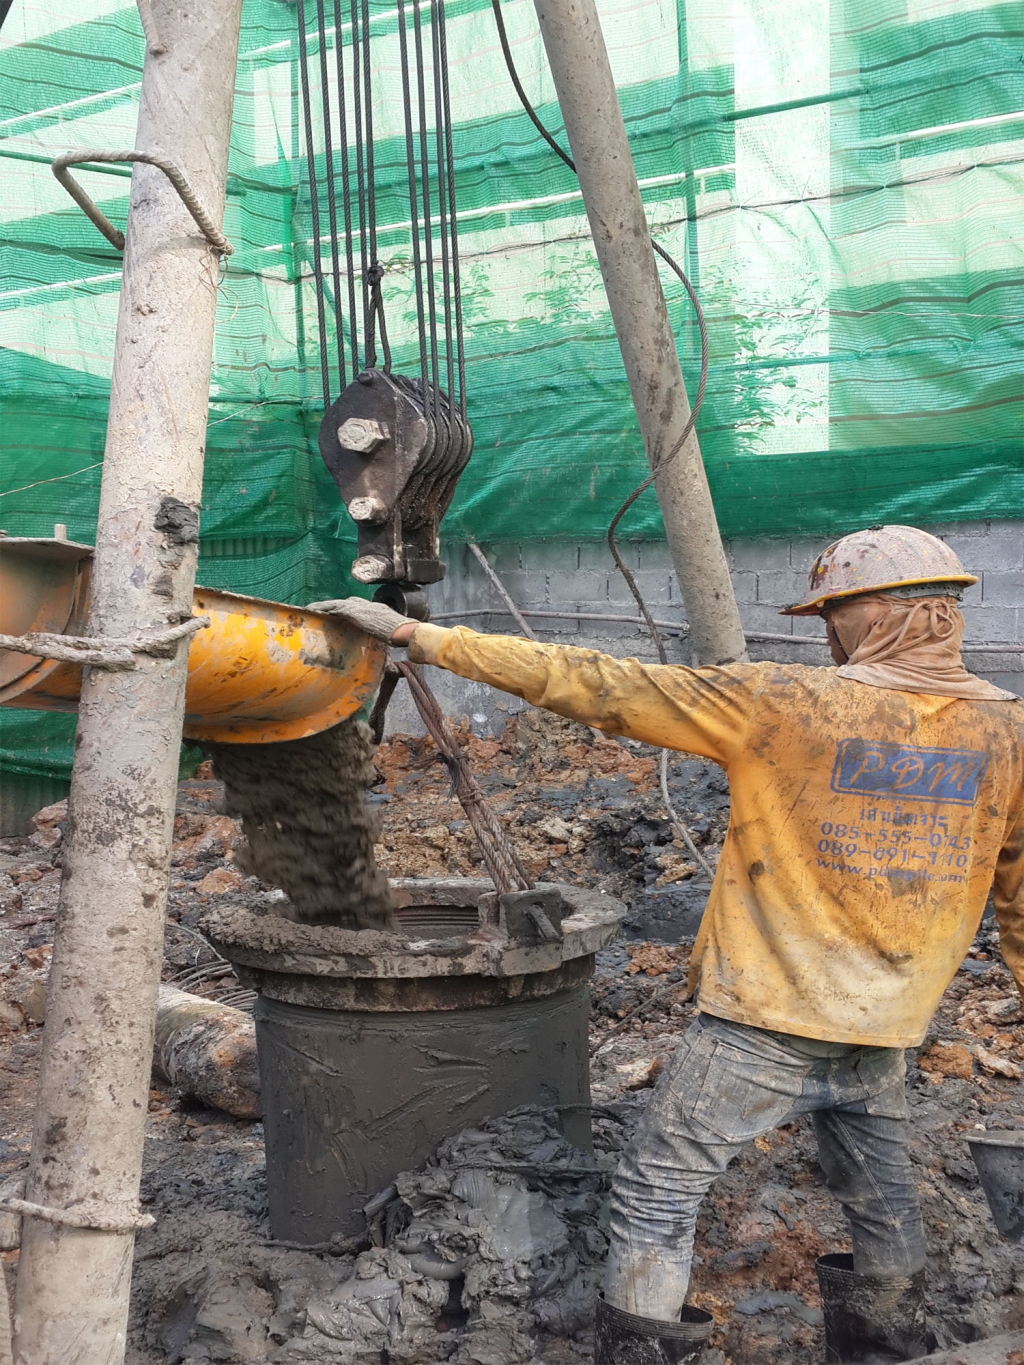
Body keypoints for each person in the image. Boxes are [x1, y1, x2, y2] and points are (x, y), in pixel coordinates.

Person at [312, 525, 1024, 1365]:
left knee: (657, 1188)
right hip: (888, 1025)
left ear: (865, 618)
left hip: (764, 1021)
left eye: (832, 618)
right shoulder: (1008, 730)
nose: (827, 637)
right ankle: (889, 1350)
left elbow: (597, 683)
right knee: (882, 1196)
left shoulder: (784, 702)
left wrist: (416, 635)